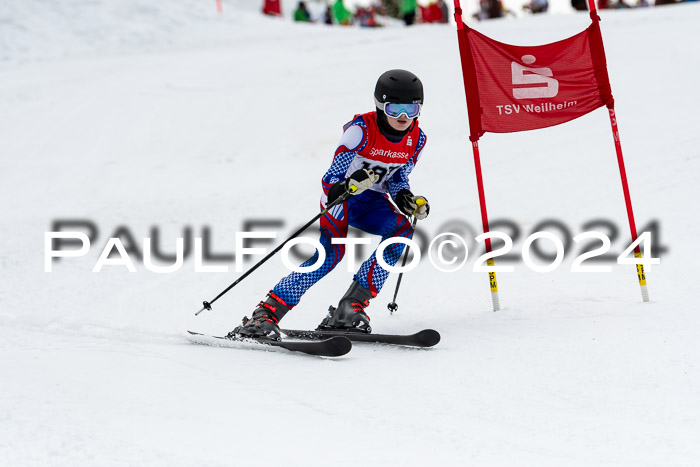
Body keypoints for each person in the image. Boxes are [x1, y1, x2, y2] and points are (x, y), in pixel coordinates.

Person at [230, 70, 430, 339]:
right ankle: (265, 314)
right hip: (341, 200)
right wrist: (349, 185)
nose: (404, 117)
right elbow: (331, 178)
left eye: (411, 108)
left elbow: (397, 177)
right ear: (381, 106)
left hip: (372, 202)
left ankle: (350, 309)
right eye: (395, 109)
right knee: (329, 254)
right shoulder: (360, 131)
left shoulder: (416, 139)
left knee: (403, 232)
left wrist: (405, 196)